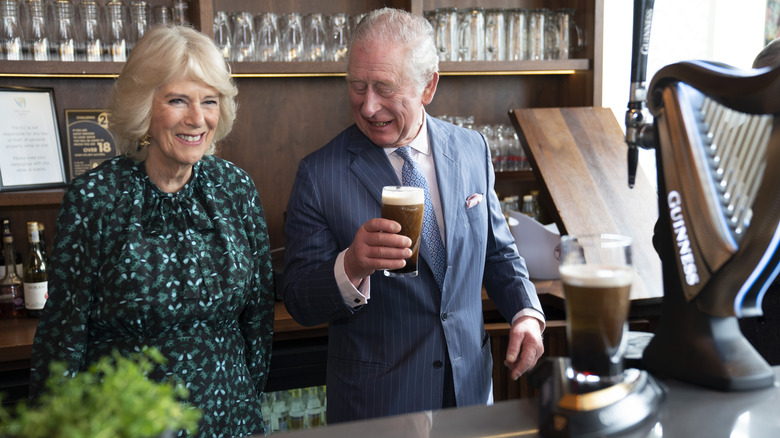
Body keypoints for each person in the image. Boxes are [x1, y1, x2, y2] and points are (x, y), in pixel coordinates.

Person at [283, 8, 545, 423]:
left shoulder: (471, 148)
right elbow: (298, 300)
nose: (368, 106)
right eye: (357, 86)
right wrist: (350, 266)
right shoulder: (318, 174)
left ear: (428, 86)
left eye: (385, 88)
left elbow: (498, 252)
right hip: (378, 408)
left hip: (471, 395)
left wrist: (526, 314)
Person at [28, 25, 275, 437]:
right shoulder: (95, 198)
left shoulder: (235, 188)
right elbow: (62, 336)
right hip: (129, 422)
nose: (198, 118)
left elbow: (258, 320)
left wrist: (243, 400)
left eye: (209, 101)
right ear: (144, 106)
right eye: (178, 100)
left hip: (230, 419)